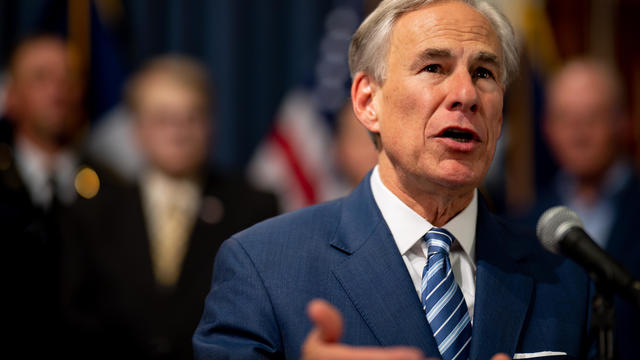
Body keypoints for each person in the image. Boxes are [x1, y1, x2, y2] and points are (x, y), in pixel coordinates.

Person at [193, 0, 591, 359]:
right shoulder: (262, 267)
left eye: (484, 72)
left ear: (500, 116)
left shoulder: (565, 278)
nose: (466, 94)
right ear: (368, 102)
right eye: (434, 67)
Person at [59, 56, 279, 359]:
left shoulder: (254, 208)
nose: (179, 132)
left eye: (192, 117)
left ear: (211, 124)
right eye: (163, 118)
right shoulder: (91, 214)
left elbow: (262, 314)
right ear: (137, 128)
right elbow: (73, 319)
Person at [522, 58, 640, 360]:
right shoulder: (523, 223)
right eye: (566, 118)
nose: (578, 134)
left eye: (592, 117)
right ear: (547, 127)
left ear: (622, 122)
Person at [0, 34, 85, 356]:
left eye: (69, 77)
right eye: (41, 77)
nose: (59, 90)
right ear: (11, 96)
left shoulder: (113, 189)